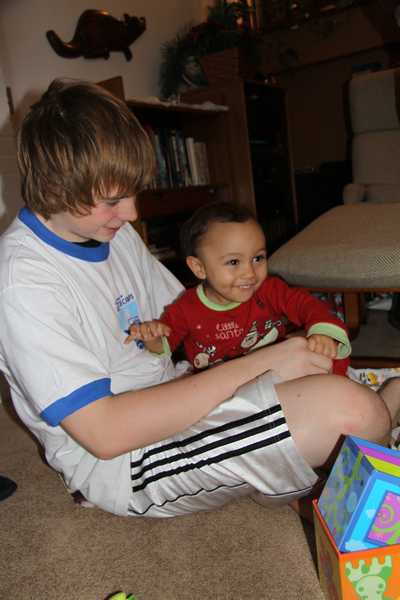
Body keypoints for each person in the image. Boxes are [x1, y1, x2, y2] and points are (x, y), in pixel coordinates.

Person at [0, 77, 399, 519]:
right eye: (113, 200)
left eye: (132, 193)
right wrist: (263, 366)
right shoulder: (22, 283)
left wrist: (267, 345)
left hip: (178, 386)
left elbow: (197, 319)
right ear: (55, 187)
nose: (131, 213)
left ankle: (324, 455)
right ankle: (334, 469)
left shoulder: (112, 232)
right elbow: (104, 433)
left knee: (326, 369)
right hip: (122, 461)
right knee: (356, 413)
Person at [125, 201, 350, 375]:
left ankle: (338, 390)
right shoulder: (186, 307)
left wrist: (322, 333)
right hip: (223, 386)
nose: (250, 273)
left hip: (274, 370)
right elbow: (165, 345)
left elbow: (307, 305)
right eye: (234, 262)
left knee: (325, 349)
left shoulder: (269, 290)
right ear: (199, 268)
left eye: (258, 258)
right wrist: (153, 337)